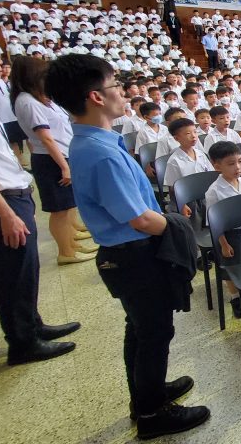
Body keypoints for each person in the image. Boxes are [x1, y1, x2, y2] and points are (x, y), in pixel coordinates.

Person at [45, 53, 208, 437]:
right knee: (154, 333)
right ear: (95, 96)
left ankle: (146, 394)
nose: (122, 92)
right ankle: (152, 415)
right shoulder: (101, 153)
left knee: (140, 328)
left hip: (126, 254)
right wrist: (178, 226)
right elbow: (140, 219)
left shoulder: (94, 141)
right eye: (115, 85)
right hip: (134, 255)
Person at [0, 33, 81, 366]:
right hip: (0, 201)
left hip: (12, 194)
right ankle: (23, 343)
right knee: (13, 274)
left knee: (25, 270)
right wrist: (5, 214)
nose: (1, 64)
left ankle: (33, 326)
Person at [11, 54, 98, 264]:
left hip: (61, 155)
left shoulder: (40, 99)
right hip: (51, 160)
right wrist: (64, 167)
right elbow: (46, 139)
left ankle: (71, 242)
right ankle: (65, 252)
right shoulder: (27, 102)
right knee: (59, 209)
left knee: (67, 205)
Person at [204, 140, 241, 319]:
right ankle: (235, 297)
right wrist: (224, 244)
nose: (238, 167)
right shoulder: (214, 191)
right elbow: (214, 223)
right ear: (217, 166)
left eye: (240, 161)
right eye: (231, 164)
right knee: (231, 267)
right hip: (228, 236)